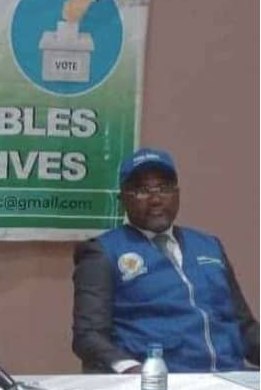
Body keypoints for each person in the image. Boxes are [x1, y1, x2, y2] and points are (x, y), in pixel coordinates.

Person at [72, 147, 260, 373]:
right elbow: (88, 335)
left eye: (164, 188)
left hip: (229, 377)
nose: (155, 199)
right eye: (142, 190)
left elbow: (245, 327)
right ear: (123, 199)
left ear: (177, 194)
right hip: (159, 380)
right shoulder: (102, 252)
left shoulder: (209, 246)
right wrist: (131, 369)